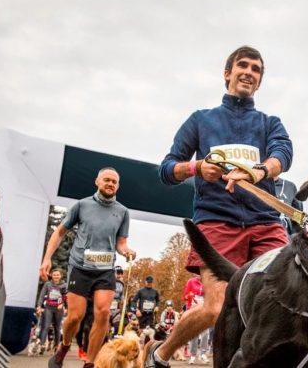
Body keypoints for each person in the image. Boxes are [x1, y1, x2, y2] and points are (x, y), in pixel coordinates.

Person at [150, 45, 293, 368]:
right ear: (227, 73)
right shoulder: (201, 120)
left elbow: (282, 154)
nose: (249, 72)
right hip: (216, 222)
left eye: (256, 70)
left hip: (266, 222)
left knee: (282, 303)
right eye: (242, 66)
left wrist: (258, 171)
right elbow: (167, 169)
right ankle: (160, 352)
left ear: (259, 82)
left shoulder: (270, 123)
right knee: (216, 308)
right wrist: (197, 168)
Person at [40, 167, 135, 368]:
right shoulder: (82, 205)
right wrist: (47, 258)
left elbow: (121, 243)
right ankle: (64, 347)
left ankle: (91, 363)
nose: (110, 184)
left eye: (114, 182)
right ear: (97, 182)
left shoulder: (123, 211)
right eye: (107, 180)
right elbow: (59, 232)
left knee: (103, 313)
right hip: (80, 267)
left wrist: (126, 250)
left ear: (118, 186)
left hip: (105, 268)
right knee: (75, 317)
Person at [35, 269, 67, 351]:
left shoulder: (64, 285)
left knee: (57, 327)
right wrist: (39, 306)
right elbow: (42, 295)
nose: (56, 276)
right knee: (46, 325)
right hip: (49, 307)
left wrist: (63, 305)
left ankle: (56, 345)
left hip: (59, 308)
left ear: (61, 276)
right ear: (51, 276)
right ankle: (41, 345)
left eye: (57, 275)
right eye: (54, 275)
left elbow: (66, 297)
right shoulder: (48, 284)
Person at [183, 275, 210, 364]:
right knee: (194, 333)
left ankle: (203, 354)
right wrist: (190, 296)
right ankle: (193, 355)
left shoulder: (208, 281)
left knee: (205, 332)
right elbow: (185, 296)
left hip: (204, 309)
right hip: (193, 309)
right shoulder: (191, 281)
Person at [110, 267, 125, 335]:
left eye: (121, 274)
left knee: (117, 325)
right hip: (108, 305)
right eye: (118, 273)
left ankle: (114, 338)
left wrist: (122, 300)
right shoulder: (109, 280)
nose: (119, 275)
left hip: (116, 308)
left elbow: (122, 294)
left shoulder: (122, 284)